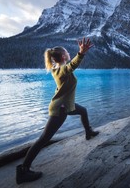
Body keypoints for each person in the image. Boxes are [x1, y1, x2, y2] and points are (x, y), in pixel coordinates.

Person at [16, 37, 99, 184]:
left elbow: (63, 83)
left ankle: (89, 132)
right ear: (63, 56)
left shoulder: (58, 70)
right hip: (60, 109)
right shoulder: (61, 70)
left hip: (66, 106)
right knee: (44, 139)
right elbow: (71, 66)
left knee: (83, 111)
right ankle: (23, 170)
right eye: (67, 52)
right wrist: (81, 53)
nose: (68, 53)